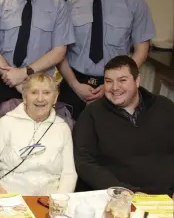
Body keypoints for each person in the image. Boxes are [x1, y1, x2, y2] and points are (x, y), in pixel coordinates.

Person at [58, 0, 155, 120]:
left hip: (117, 89)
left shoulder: (135, 2)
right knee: (68, 141)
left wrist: (114, 84)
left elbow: (141, 50)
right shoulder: (68, 2)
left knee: (114, 144)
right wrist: (75, 85)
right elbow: (59, 51)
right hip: (74, 85)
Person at [74, 56, 174, 196]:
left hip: (163, 198)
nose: (115, 88)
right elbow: (84, 162)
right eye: (109, 81)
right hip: (115, 197)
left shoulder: (165, 107)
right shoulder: (92, 114)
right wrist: (122, 191)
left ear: (137, 80)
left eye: (122, 80)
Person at [0, 73, 77, 195]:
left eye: (46, 93)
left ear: (55, 98)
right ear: (24, 97)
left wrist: (60, 201)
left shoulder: (62, 128)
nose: (40, 98)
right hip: (10, 197)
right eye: (34, 92)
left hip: (49, 201)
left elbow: (69, 173)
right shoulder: (7, 122)